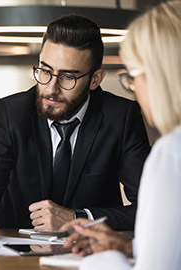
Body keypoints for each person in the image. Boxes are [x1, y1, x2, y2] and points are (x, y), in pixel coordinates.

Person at [0, 14, 151, 237]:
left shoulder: (121, 117)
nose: (51, 88)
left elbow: (151, 209)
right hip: (12, 253)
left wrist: (78, 217)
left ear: (95, 79)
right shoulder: (10, 113)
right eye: (45, 71)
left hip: (90, 253)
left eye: (68, 77)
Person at [60, 2, 181, 269]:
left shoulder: (171, 153)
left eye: (134, 77)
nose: (134, 89)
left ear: (161, 77)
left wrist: (100, 261)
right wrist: (129, 246)